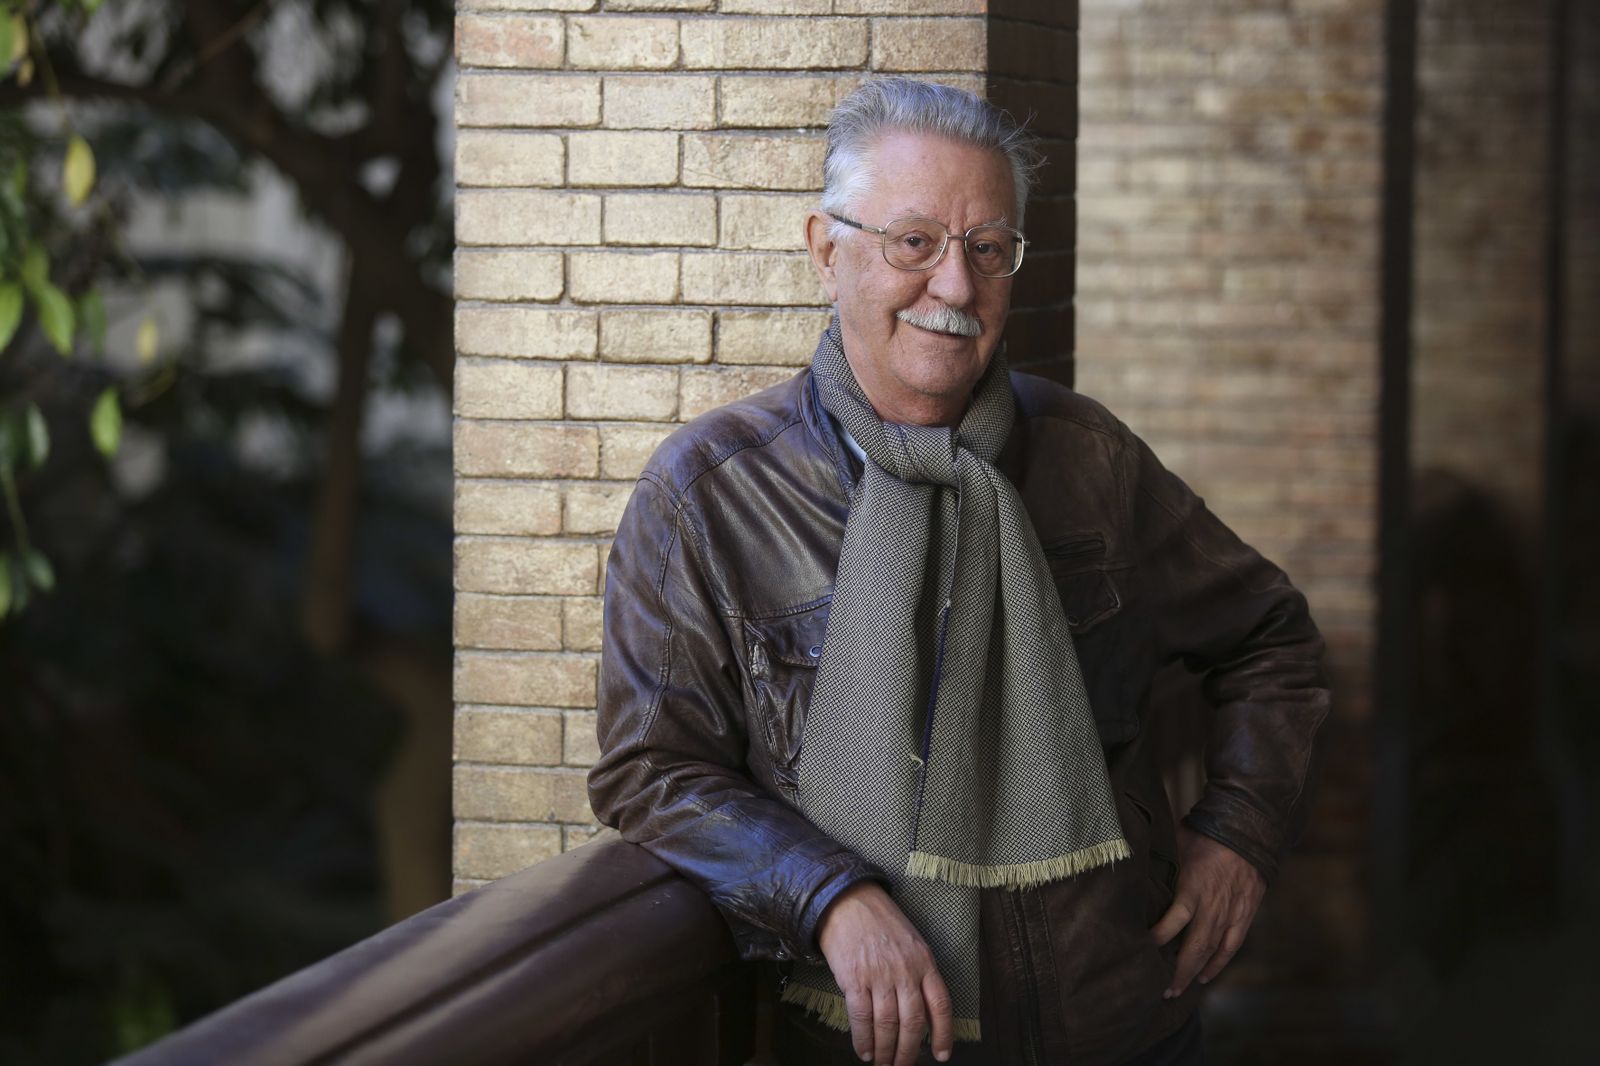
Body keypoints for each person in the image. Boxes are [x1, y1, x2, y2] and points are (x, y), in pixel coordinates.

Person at [588, 77, 1330, 1066]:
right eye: (913, 243)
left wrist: (1240, 831)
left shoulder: (1086, 458)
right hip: (857, 1042)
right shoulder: (707, 496)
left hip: (1117, 1025)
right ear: (826, 249)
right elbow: (650, 768)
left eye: (988, 250)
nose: (954, 287)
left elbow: (1270, 636)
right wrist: (828, 894)